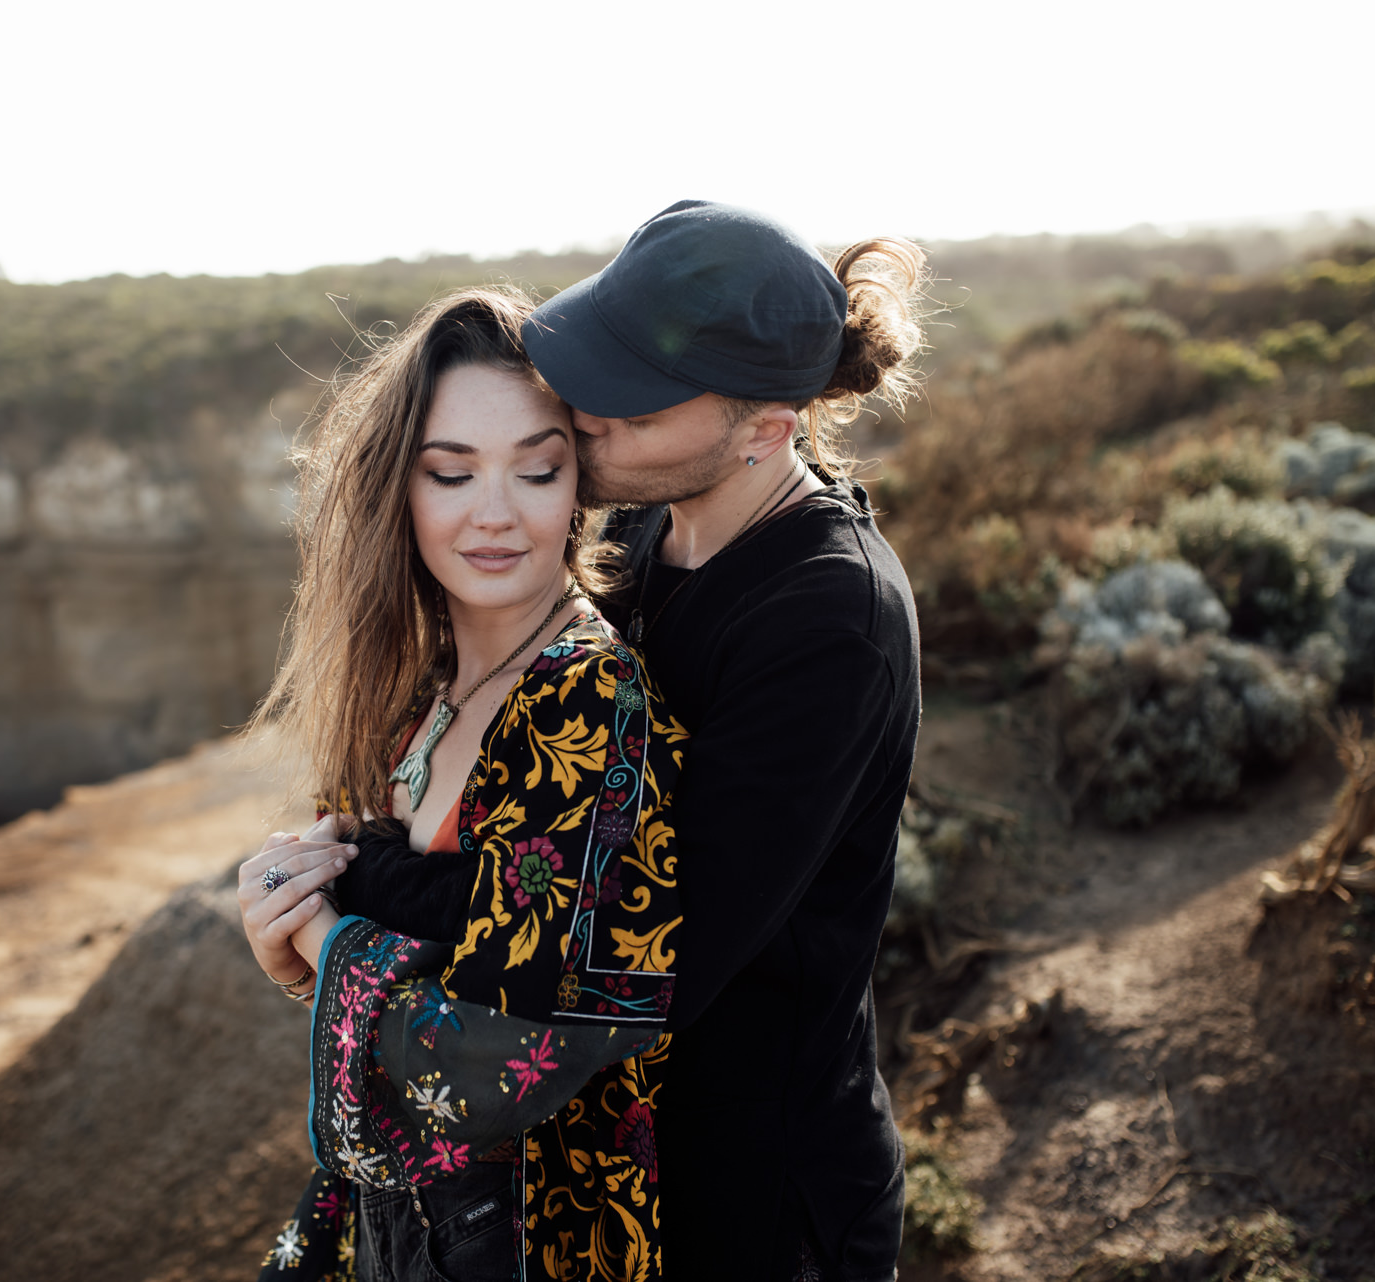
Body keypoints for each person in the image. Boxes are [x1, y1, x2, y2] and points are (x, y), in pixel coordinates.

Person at [337, 200, 928, 1281]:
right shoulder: (649, 520)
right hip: (621, 1164)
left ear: (765, 427)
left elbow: (639, 940)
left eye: (635, 400)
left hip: (757, 1203)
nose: (588, 413)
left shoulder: (830, 622)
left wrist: (363, 882)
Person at [237, 286, 690, 1281]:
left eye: (537, 469)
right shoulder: (414, 681)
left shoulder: (585, 697)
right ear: (398, 485)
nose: (495, 513)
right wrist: (293, 956)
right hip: (408, 1226)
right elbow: (381, 972)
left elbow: (488, 1069)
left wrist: (316, 926)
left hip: (540, 1236)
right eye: (451, 473)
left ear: (581, 485)